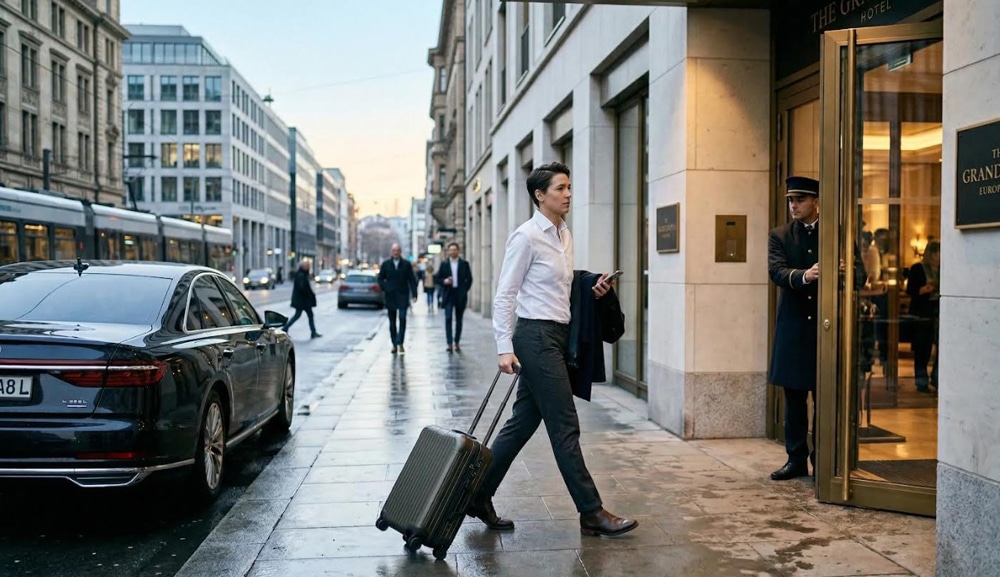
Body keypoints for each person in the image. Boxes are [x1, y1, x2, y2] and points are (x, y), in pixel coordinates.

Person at [468, 161, 638, 538]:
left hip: (558, 337)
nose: (568, 194)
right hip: (534, 338)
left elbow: (562, 286)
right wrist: (503, 347)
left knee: (522, 423)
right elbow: (505, 295)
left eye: (569, 187)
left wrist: (592, 288)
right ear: (539, 195)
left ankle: (479, 494)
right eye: (560, 188)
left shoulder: (564, 234)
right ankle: (591, 512)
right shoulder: (526, 236)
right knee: (565, 426)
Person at [767, 176, 822, 482]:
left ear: (815, 202)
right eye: (790, 200)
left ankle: (824, 461)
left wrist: (843, 272)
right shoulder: (780, 235)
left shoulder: (836, 232)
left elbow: (859, 275)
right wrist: (805, 275)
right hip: (794, 329)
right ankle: (796, 459)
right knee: (795, 400)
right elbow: (776, 271)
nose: (794, 205)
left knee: (825, 398)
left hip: (826, 330)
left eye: (800, 200)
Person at [906, 241, 940, 392]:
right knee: (922, 349)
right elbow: (910, 291)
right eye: (938, 253)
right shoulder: (917, 268)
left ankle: (937, 377)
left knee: (940, 348)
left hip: (937, 313)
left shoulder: (943, 269)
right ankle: (921, 381)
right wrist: (924, 289)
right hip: (921, 314)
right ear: (931, 254)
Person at [377, 243, 418, 354]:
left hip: (403, 295)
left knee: (403, 318)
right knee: (392, 322)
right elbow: (380, 278)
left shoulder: (406, 264)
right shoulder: (386, 264)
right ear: (392, 251)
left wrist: (414, 294)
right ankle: (394, 343)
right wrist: (385, 287)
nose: (396, 252)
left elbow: (412, 280)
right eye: (394, 250)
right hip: (390, 296)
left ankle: (400, 342)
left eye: (398, 250)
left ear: (400, 252)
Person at [434, 242, 472, 352]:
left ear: (458, 251)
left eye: (455, 250)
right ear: (448, 252)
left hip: (459, 294)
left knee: (459, 319)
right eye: (451, 250)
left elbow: (469, 279)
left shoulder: (464, 264)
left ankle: (457, 342)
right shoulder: (444, 264)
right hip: (448, 294)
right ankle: (449, 343)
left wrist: (464, 290)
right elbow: (438, 279)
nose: (453, 252)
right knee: (448, 318)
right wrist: (444, 281)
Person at [282, 260, 321, 339]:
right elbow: (302, 288)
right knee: (307, 315)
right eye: (307, 266)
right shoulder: (301, 275)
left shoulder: (302, 274)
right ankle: (313, 332)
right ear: (303, 267)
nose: (308, 267)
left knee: (299, 315)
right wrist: (308, 294)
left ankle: (285, 328)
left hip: (302, 300)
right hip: (303, 300)